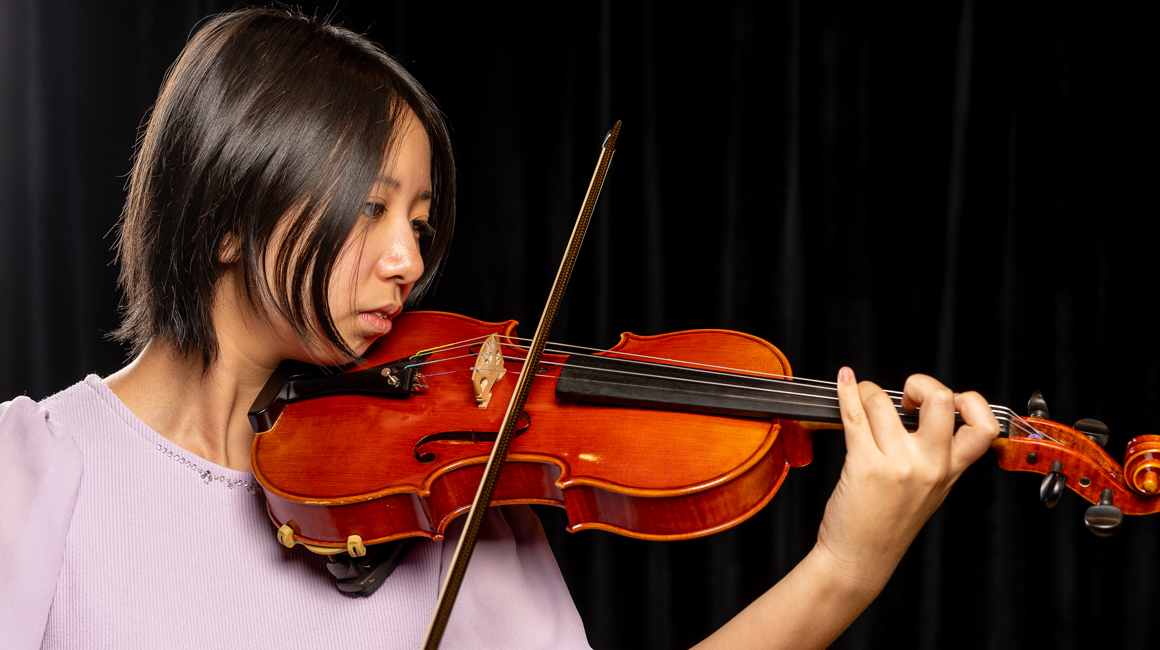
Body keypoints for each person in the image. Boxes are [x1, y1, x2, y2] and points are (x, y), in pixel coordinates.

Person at [0, 7, 1000, 649]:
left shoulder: (438, 495)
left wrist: (842, 566)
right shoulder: (29, 469)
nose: (408, 258)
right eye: (369, 207)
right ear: (225, 211)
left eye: (421, 220)